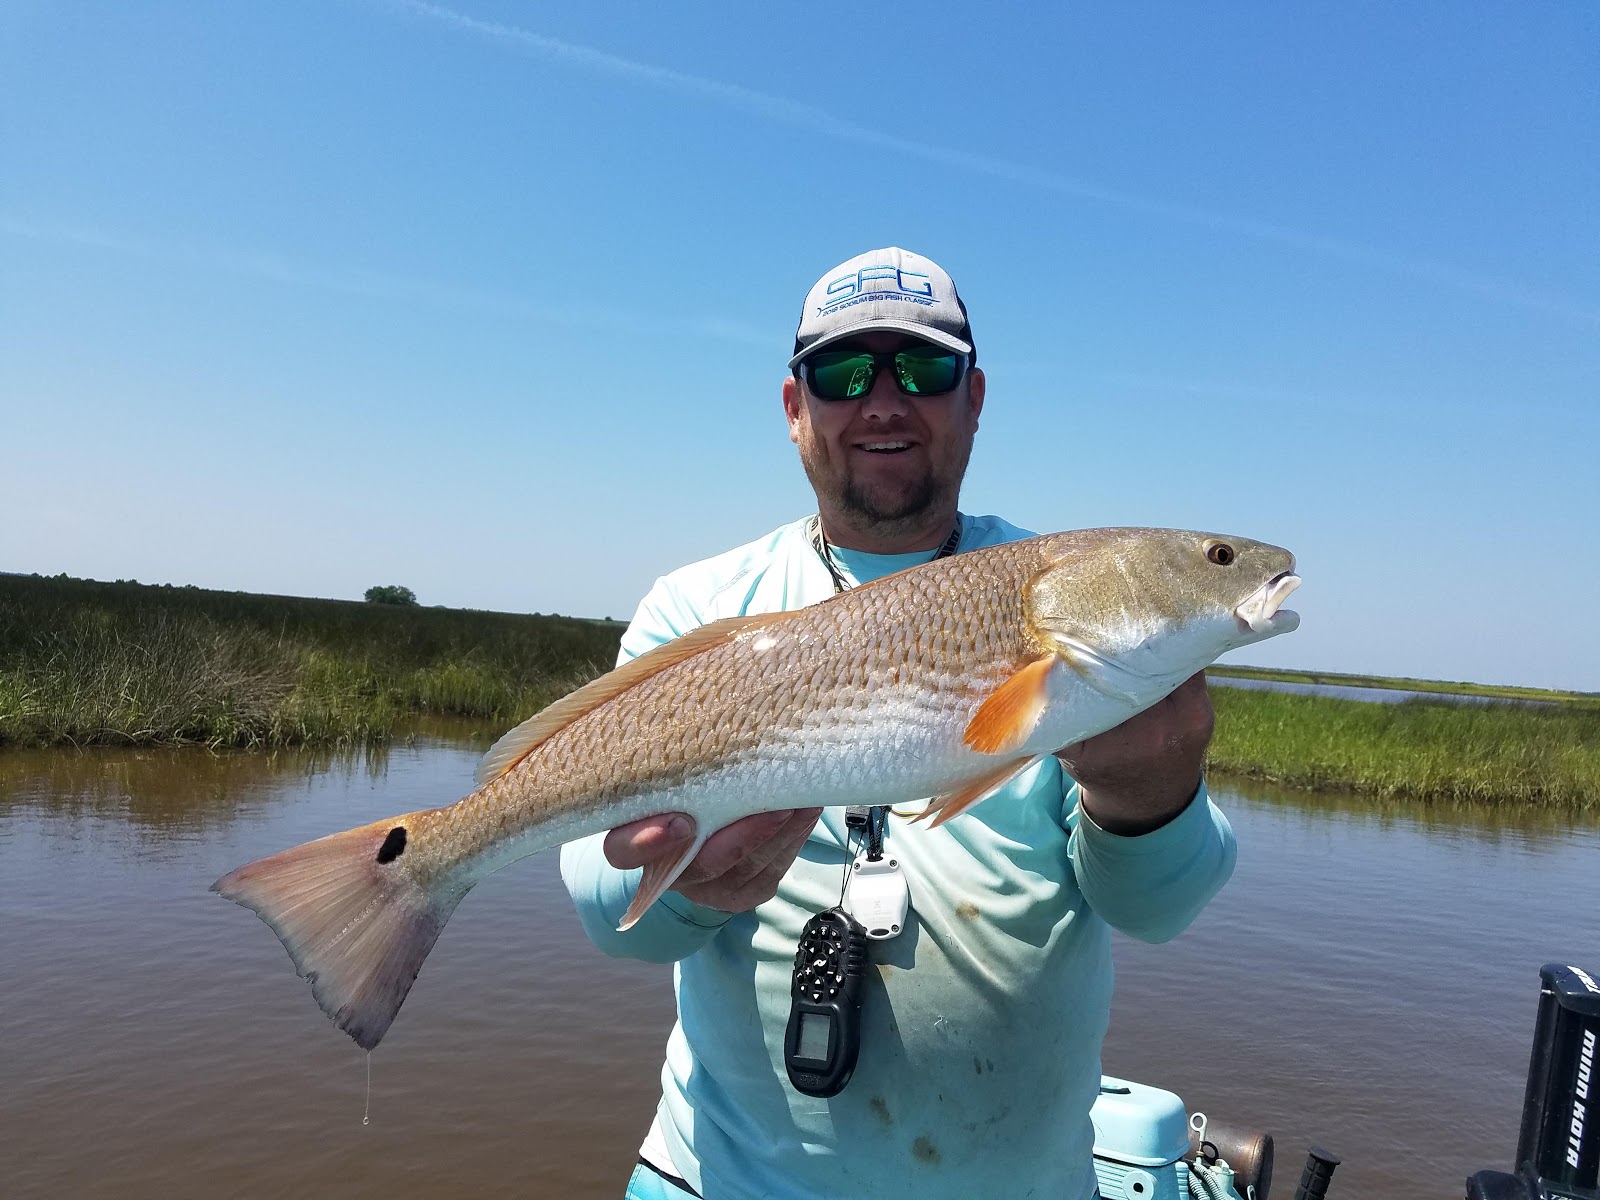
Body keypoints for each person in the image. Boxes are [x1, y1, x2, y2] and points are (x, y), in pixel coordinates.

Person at [561, 247, 1235, 1200]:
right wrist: (690, 889)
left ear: (975, 399)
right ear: (795, 408)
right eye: (842, 373)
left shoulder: (1070, 601)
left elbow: (1159, 913)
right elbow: (612, 923)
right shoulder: (698, 608)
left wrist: (1149, 798)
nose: (883, 401)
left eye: (923, 369)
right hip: (719, 1180)